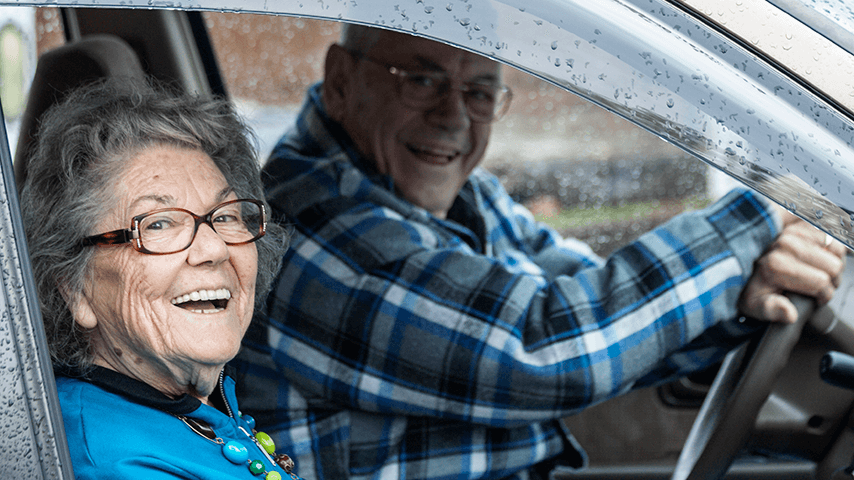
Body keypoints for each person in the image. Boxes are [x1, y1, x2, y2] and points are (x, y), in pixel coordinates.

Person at [233, 25, 848, 480]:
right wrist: (768, 215)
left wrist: (743, 293)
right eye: (420, 80)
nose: (453, 116)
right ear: (341, 81)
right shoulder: (308, 229)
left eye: (480, 92)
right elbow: (546, 347)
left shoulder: (465, 199)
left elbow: (603, 308)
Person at [19, 78, 301, 480]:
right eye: (158, 225)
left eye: (224, 216)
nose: (214, 249)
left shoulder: (196, 410)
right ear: (75, 287)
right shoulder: (112, 462)